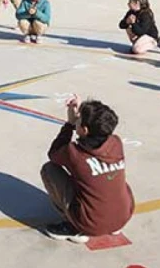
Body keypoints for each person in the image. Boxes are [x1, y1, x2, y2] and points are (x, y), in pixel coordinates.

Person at [40, 96, 134, 242]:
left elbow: (54, 153)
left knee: (49, 170)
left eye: (79, 120)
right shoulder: (116, 143)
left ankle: (74, 226)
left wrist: (70, 124)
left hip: (89, 223)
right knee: (113, 180)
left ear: (84, 130)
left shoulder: (73, 153)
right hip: (123, 217)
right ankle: (111, 223)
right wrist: (82, 116)